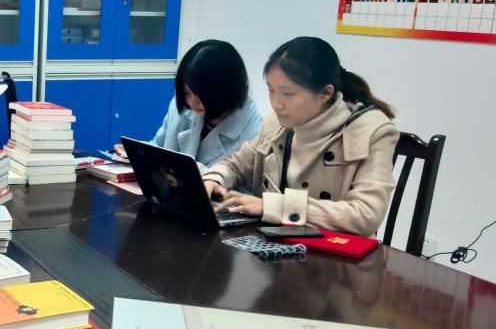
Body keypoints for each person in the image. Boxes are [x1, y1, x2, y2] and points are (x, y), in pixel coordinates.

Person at [203, 37, 398, 236]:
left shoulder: (372, 131)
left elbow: (366, 215)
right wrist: (214, 180)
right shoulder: (276, 124)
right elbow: (236, 165)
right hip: (275, 243)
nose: (276, 103)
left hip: (335, 250)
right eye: (271, 90)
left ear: (325, 93)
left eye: (287, 93)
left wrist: (273, 206)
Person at [112, 40, 262, 168]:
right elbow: (159, 145)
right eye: (187, 92)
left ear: (225, 90)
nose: (192, 102)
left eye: (202, 94)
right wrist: (135, 153)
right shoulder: (182, 107)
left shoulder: (255, 134)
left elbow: (240, 189)